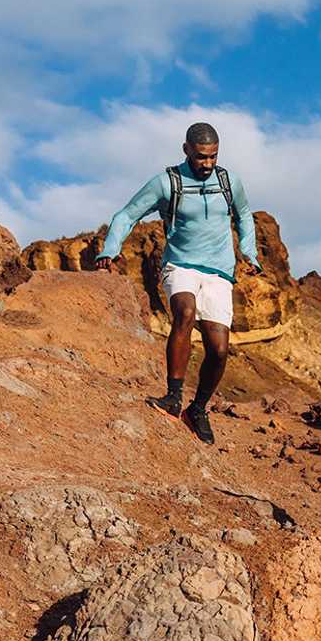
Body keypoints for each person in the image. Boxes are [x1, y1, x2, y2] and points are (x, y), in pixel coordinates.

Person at [94, 122, 262, 445]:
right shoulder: (166, 182)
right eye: (201, 157)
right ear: (186, 150)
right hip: (180, 265)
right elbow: (127, 215)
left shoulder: (229, 182)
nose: (207, 163)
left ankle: (197, 410)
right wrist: (110, 249)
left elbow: (244, 215)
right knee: (184, 312)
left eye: (213, 156)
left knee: (219, 349)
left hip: (219, 272)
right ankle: (173, 397)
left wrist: (249, 252)